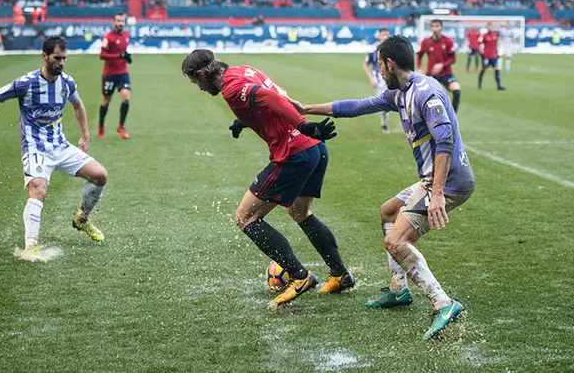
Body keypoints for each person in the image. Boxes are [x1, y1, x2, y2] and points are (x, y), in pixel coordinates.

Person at [292, 35, 475, 340]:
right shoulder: (400, 93)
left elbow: (445, 142)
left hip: (448, 181)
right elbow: (357, 106)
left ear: (390, 64)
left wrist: (438, 194)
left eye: (379, 65)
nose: (378, 71)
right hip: (434, 178)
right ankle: (399, 290)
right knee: (388, 213)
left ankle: (443, 302)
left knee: (396, 242)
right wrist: (307, 109)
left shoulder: (425, 94)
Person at [181, 49, 354, 308]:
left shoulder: (230, 87)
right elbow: (273, 96)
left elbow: (267, 96)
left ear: (204, 74)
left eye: (196, 82)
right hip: (315, 148)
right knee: (300, 213)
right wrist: (245, 120)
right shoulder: (242, 70)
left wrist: (303, 125)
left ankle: (299, 276)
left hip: (294, 153)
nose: (199, 88)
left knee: (245, 217)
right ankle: (340, 274)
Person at [0, 37, 108, 258]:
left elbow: (78, 105)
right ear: (45, 56)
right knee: (38, 188)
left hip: (60, 146)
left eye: (64, 59)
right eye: (57, 58)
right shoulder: (26, 83)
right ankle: (30, 247)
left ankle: (81, 219)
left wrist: (84, 135)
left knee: (100, 176)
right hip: (35, 148)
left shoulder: (67, 83)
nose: (62, 63)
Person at [98, 12, 132, 139]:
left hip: (123, 72)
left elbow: (122, 52)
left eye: (122, 21)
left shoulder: (127, 36)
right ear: (114, 22)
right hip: (109, 74)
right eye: (118, 21)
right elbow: (102, 55)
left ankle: (121, 126)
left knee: (126, 97)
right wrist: (119, 56)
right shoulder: (108, 37)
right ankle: (101, 127)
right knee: (106, 100)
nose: (120, 23)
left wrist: (126, 57)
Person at [416, 19, 461, 112]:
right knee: (424, 96)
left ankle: (452, 117)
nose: (435, 28)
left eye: (437, 26)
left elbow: (453, 59)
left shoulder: (448, 41)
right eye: (433, 26)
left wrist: (442, 65)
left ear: (441, 27)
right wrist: (419, 68)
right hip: (431, 75)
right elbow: (419, 55)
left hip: (446, 73)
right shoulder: (426, 42)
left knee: (456, 89)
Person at [363, 27, 391, 132]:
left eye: (387, 34)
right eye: (383, 34)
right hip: (379, 80)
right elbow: (365, 65)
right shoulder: (373, 49)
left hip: (391, 78)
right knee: (385, 102)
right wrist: (371, 78)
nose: (385, 37)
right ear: (379, 36)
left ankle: (385, 124)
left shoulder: (392, 49)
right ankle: (384, 125)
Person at [478, 23, 504, 91]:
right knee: (483, 70)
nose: (491, 28)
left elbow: (498, 43)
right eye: (489, 27)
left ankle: (499, 86)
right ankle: (479, 85)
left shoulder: (495, 35)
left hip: (494, 56)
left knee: (496, 69)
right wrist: (482, 53)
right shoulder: (484, 36)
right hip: (486, 56)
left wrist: (498, 52)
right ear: (487, 27)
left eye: (492, 27)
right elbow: (480, 44)